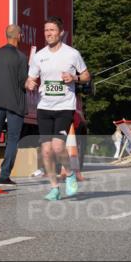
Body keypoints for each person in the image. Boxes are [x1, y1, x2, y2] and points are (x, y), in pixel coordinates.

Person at [26, 16, 90, 201]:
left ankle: (69, 173)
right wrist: (29, 83)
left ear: (61, 32)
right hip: (44, 107)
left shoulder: (72, 54)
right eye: (46, 30)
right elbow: (30, 79)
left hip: (64, 106)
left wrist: (75, 78)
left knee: (58, 147)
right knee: (46, 151)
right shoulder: (39, 56)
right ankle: (54, 188)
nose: (49, 34)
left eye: (52, 30)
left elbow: (86, 75)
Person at [0, 25, 28, 186]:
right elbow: (23, 82)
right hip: (15, 103)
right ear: (18, 36)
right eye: (21, 34)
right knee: (12, 139)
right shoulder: (21, 57)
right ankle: (5, 175)